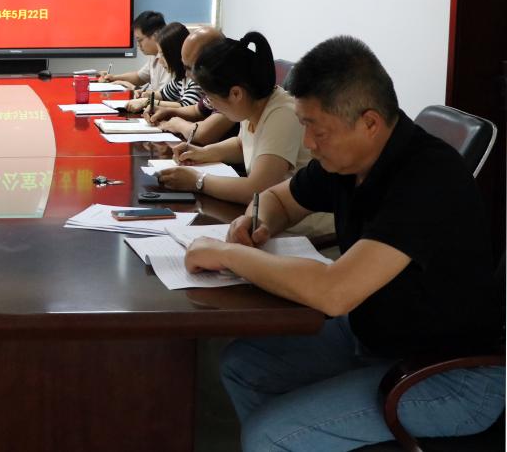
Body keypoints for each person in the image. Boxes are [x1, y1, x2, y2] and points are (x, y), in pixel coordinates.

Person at [184, 36, 505, 451]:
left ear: (369, 122)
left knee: (269, 435)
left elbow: (334, 293)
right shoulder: (346, 159)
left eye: (316, 129)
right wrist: (257, 220)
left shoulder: (428, 179)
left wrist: (229, 254)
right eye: (303, 125)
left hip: (452, 375)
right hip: (377, 334)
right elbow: (280, 198)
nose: (309, 143)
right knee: (244, 365)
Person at [157, 31, 315, 210]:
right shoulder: (253, 104)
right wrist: (203, 152)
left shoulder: (283, 114)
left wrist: (197, 181)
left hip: (304, 225)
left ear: (236, 94)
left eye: (211, 98)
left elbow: (257, 189)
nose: (210, 104)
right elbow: (242, 144)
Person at [148, 26, 235, 146]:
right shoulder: (215, 82)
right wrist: (169, 112)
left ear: (212, 62)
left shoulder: (230, 86)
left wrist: (177, 124)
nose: (186, 74)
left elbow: (204, 134)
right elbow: (197, 110)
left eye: (190, 68)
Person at [127, 21, 203, 113]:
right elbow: (163, 94)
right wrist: (146, 94)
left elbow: (186, 106)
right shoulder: (180, 77)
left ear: (174, 53)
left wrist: (147, 102)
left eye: (162, 54)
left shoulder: (196, 77)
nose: (160, 60)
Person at [98, 10, 167, 92]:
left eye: (140, 40)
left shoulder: (168, 58)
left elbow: (163, 95)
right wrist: (113, 78)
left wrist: (133, 87)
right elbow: (139, 77)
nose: (138, 45)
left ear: (155, 36)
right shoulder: (154, 55)